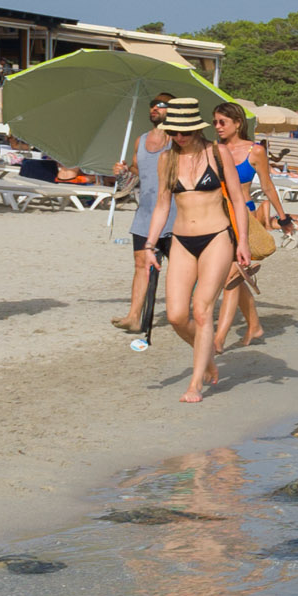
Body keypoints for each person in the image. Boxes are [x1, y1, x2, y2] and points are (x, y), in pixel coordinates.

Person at [153, 96, 248, 402]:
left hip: (217, 237)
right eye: (174, 132)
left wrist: (242, 241)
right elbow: (161, 206)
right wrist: (148, 245)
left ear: (196, 128)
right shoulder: (166, 159)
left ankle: (194, 384)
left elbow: (236, 199)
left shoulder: (217, 153)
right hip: (181, 239)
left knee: (202, 310)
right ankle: (205, 356)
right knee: (177, 316)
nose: (179, 137)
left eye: (185, 131)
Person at [213, 102, 288, 347]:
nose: (217, 127)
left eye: (222, 122)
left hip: (245, 217)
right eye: (215, 122)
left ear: (237, 123)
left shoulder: (255, 151)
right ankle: (254, 326)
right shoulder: (213, 150)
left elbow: (267, 185)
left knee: (231, 277)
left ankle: (220, 337)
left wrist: (283, 216)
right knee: (232, 276)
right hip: (218, 217)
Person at [112, 92, 173, 330]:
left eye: (160, 105)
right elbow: (139, 172)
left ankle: (191, 311)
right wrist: (124, 171)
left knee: (180, 268)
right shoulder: (141, 140)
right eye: (152, 105)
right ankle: (134, 316)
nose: (154, 109)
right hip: (145, 212)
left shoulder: (178, 141)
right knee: (141, 264)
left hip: (174, 213)